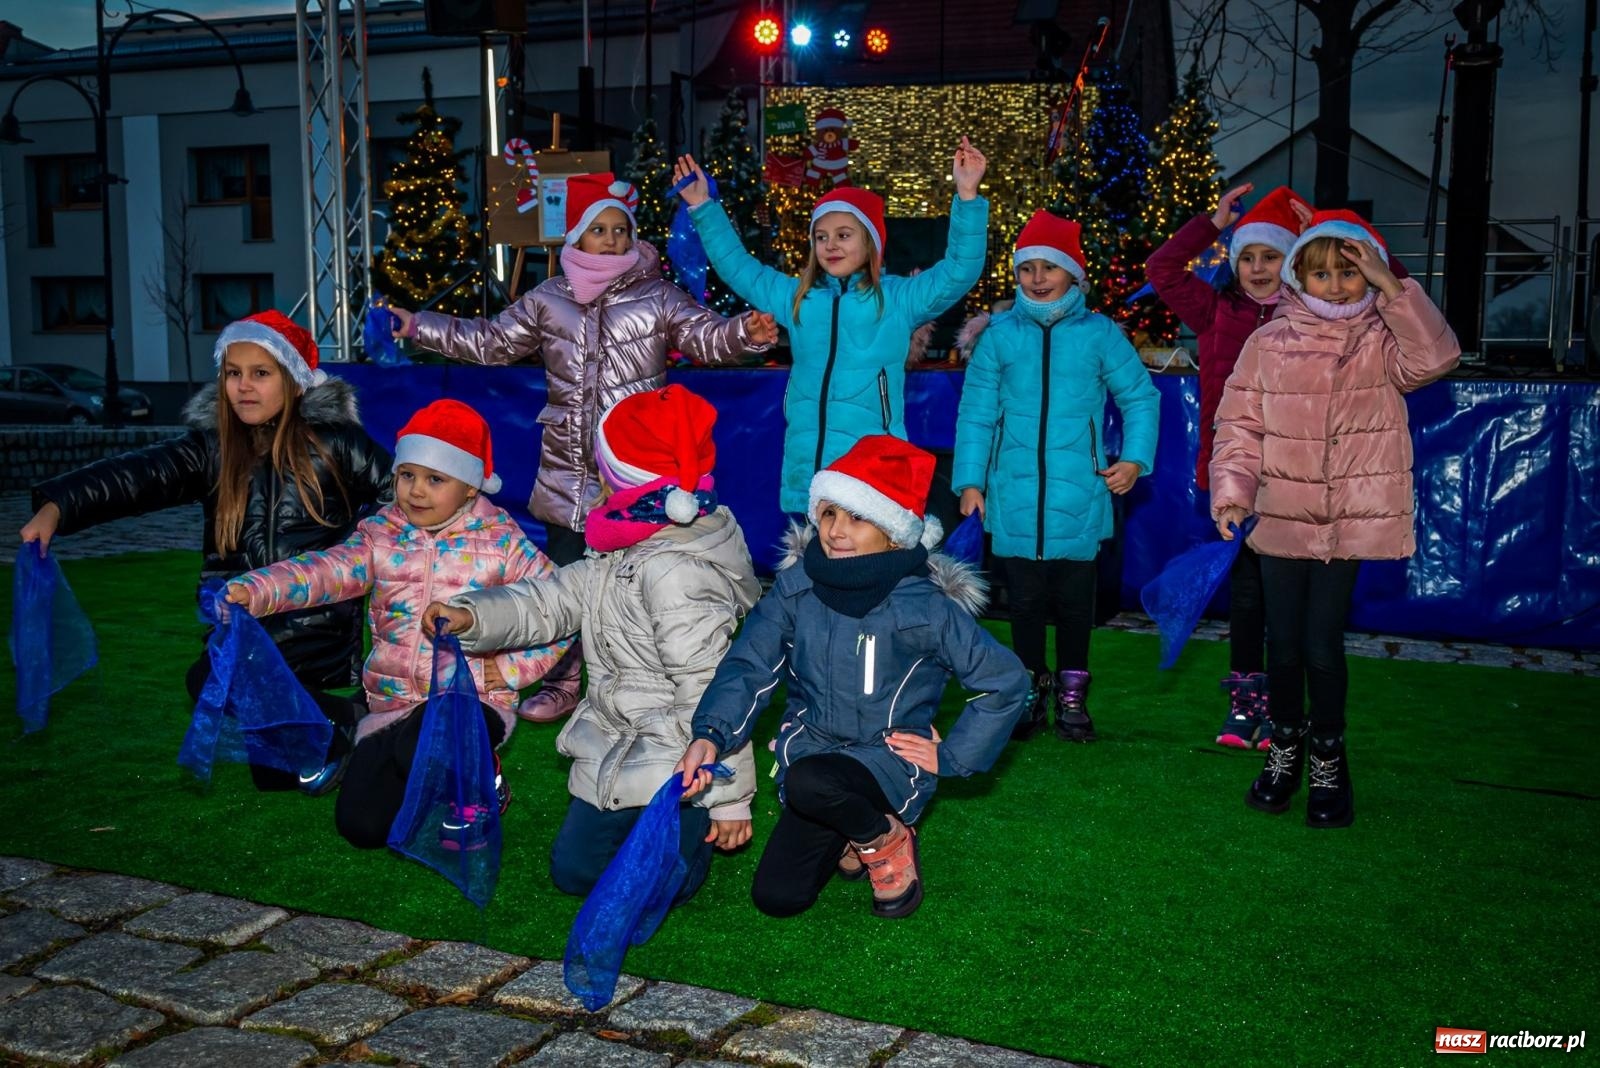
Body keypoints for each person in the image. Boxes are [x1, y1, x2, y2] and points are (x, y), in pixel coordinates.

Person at [385, 172, 777, 726]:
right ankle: (564, 681)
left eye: (622, 230)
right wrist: (419, 325)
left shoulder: (657, 295)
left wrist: (745, 334)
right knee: (565, 580)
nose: (612, 239)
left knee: (641, 581)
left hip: (639, 473)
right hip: (567, 474)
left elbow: (705, 336)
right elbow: (491, 341)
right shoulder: (549, 299)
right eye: (599, 229)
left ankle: (647, 680)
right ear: (576, 237)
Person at [20, 311, 391, 793]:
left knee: (212, 681)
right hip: (241, 620)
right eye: (233, 373)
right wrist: (57, 506)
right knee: (272, 770)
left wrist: (358, 549)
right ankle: (344, 721)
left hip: (313, 622)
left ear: (295, 379)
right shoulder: (212, 448)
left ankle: (340, 724)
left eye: (261, 373)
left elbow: (399, 496)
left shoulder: (336, 442)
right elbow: (137, 476)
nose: (244, 386)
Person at [425, 385, 761, 904]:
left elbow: (713, 687)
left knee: (654, 886)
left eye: (604, 470)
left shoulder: (675, 573)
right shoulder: (617, 546)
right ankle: (640, 828)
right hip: (612, 740)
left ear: (623, 479)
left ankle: (689, 839)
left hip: (681, 758)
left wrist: (729, 798)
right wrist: (472, 614)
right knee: (576, 873)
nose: (598, 480)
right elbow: (549, 600)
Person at [675, 435, 1029, 920]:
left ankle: (886, 837)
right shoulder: (796, 590)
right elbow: (748, 665)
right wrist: (710, 735)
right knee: (779, 897)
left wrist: (953, 756)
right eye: (828, 514)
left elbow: (1006, 681)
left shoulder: (924, 607)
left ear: (894, 533)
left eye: (857, 517)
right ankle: (852, 830)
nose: (836, 531)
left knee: (810, 782)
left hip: (887, 762)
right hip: (815, 755)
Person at [1210, 210, 1460, 829]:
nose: (1337, 286)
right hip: (1281, 517)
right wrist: (1233, 493)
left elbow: (1436, 358)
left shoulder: (1384, 338)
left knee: (1321, 646)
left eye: (1350, 273)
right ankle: (1285, 746)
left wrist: (1393, 285)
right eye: (1322, 273)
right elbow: (1239, 425)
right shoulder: (1268, 343)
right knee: (1283, 647)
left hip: (1347, 520)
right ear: (1299, 276)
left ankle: (1327, 754)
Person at [225, 399, 568, 848]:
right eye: (407, 475)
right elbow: (327, 570)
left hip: (470, 703)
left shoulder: (504, 542)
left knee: (421, 744)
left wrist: (508, 670)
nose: (416, 491)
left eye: (435, 479)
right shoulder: (381, 532)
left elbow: (559, 608)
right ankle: (388, 754)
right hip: (391, 704)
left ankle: (483, 782)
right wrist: (257, 590)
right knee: (362, 828)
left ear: (471, 487)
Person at [670, 141, 990, 514]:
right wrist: (703, 206)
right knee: (810, 549)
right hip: (808, 473)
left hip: (869, 476)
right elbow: (739, 268)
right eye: (821, 236)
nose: (830, 245)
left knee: (859, 549)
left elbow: (958, 271)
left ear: (870, 242)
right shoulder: (799, 298)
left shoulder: (898, 299)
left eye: (843, 234)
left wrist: (968, 196)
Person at [953, 211, 1160, 742]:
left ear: (1074, 273)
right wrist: (970, 480)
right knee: (1022, 602)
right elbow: (976, 413)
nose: (1038, 277)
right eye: (1027, 268)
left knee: (1073, 603)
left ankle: (1072, 694)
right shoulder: (999, 336)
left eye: (1050, 266)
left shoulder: (1100, 334)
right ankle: (1029, 686)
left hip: (1081, 493)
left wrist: (1134, 460)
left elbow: (1140, 397)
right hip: (1013, 492)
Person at [1145, 183, 1312, 748]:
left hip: (1296, 475)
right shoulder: (1216, 309)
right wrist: (1212, 224)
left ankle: (1285, 705)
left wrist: (1323, 228)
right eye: (1248, 257)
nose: (1258, 268)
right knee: (1245, 593)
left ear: (1292, 258)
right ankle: (1245, 704)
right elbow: (1162, 268)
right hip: (1233, 477)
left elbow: (1392, 291)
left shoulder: (1312, 313)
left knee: (1288, 595)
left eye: (1271, 256)